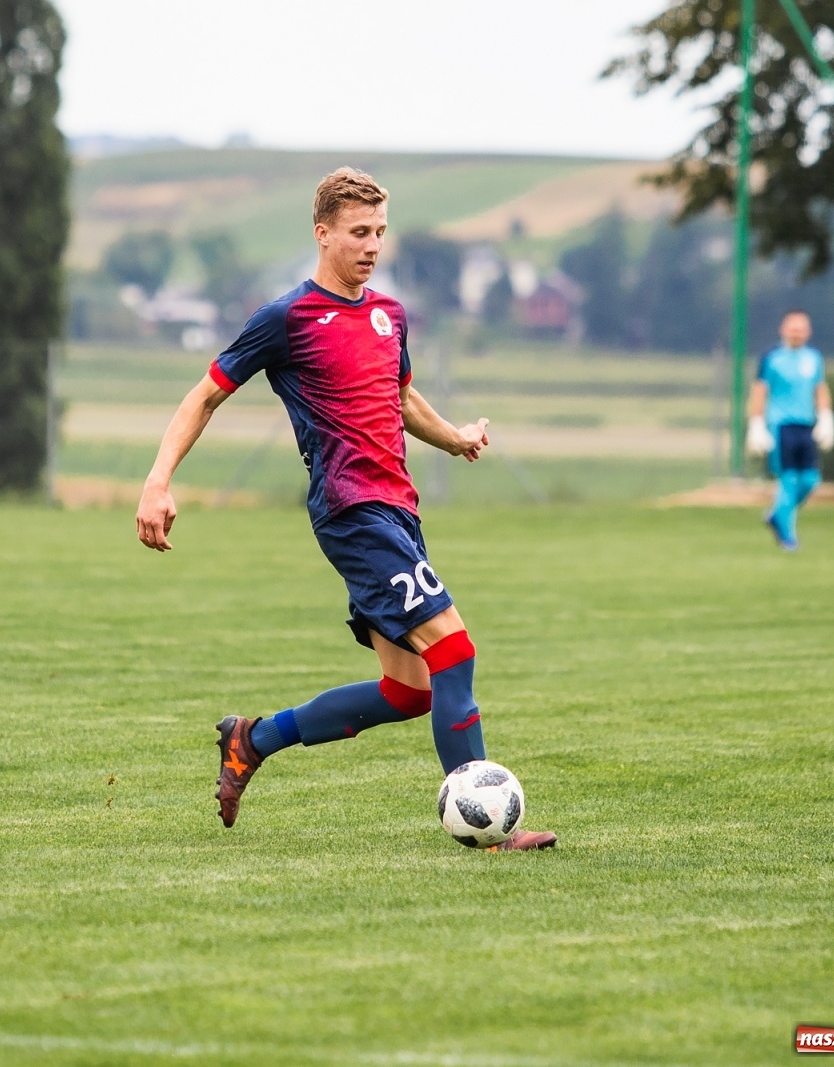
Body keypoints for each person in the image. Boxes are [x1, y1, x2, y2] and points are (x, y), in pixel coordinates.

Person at [136, 167, 555, 851]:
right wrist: (159, 478)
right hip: (352, 511)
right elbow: (203, 395)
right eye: (359, 232)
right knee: (456, 649)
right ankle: (486, 824)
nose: (372, 245)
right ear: (322, 232)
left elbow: (401, 396)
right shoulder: (286, 319)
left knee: (410, 690)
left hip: (399, 512)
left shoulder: (391, 316)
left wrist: (453, 438)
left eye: (380, 232)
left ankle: (252, 738)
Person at [745, 309, 834, 551]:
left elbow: (820, 388)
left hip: (805, 424)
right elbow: (759, 391)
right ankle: (787, 536)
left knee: (810, 480)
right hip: (780, 425)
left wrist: (826, 416)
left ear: (808, 332)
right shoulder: (771, 358)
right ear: (783, 330)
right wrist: (756, 423)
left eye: (801, 328)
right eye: (792, 327)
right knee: (788, 480)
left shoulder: (813, 358)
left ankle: (777, 514)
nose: (796, 332)